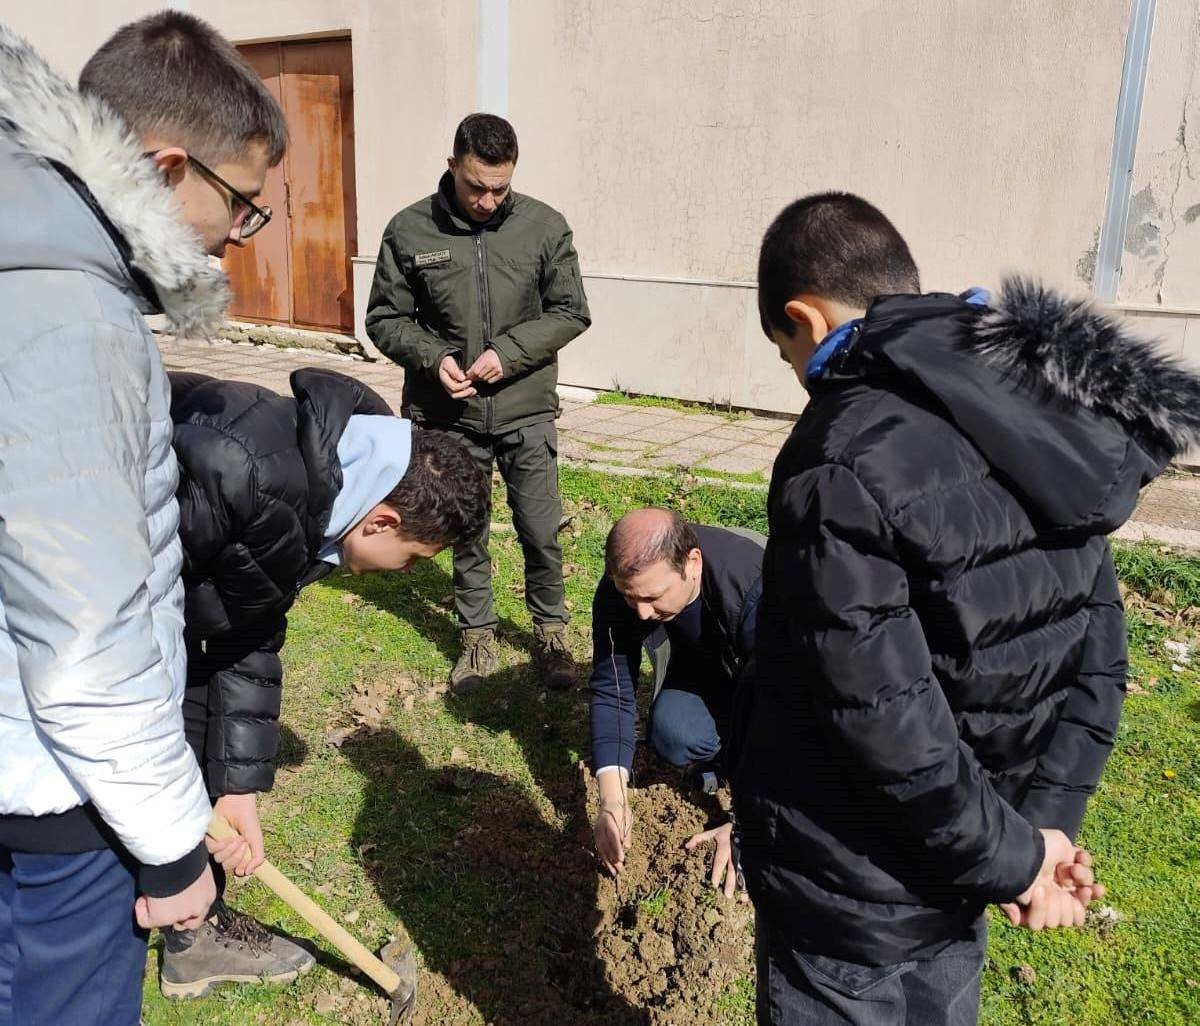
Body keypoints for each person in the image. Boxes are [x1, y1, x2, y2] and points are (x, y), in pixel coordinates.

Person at [734, 191, 1200, 1026]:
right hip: (961, 877)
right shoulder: (1036, 411)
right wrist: (1037, 834)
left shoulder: (839, 455)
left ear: (803, 317)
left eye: (785, 354)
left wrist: (1021, 860)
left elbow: (885, 720)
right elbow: (1099, 657)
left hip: (848, 897)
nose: (798, 379)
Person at [0, 12, 286, 1025]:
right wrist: (171, 846)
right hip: (55, 804)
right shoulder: (69, 323)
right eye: (243, 208)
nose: (239, 242)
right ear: (167, 171)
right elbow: (84, 640)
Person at [161, 367, 490, 998]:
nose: (402, 574)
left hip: (167, 615)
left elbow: (246, 623)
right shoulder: (245, 475)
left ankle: (192, 934)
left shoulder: (330, 483)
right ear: (384, 522)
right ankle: (140, 911)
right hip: (70, 619)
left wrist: (235, 790)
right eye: (415, 559)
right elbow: (115, 613)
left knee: (199, 744)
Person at [366, 113, 591, 695]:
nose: (489, 201)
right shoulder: (408, 230)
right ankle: (476, 636)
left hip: (525, 409)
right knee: (467, 530)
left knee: (539, 528)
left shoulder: (545, 227)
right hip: (449, 416)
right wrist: (433, 357)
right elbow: (385, 319)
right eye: (476, 187)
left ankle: (550, 632)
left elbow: (570, 310)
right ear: (452, 167)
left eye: (501, 188)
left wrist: (509, 353)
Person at [589, 509, 762, 898]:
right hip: (711, 667)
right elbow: (611, 688)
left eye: (652, 597)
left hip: (780, 677)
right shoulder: (625, 588)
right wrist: (612, 800)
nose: (643, 613)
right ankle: (723, 755)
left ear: (692, 564)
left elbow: (785, 711)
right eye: (631, 598)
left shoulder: (756, 587)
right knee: (673, 731)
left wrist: (746, 823)